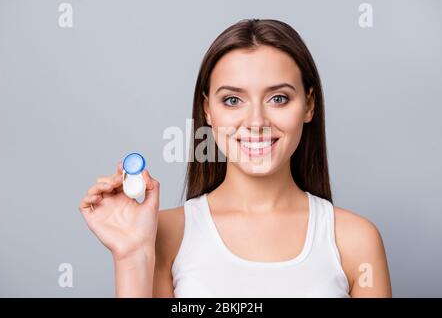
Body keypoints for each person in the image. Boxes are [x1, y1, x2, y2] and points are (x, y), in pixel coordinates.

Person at [78, 19, 392, 298]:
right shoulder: (164, 234)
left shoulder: (355, 240)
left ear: (308, 105)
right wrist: (131, 255)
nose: (256, 121)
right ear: (208, 110)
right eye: (232, 100)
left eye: (278, 98)